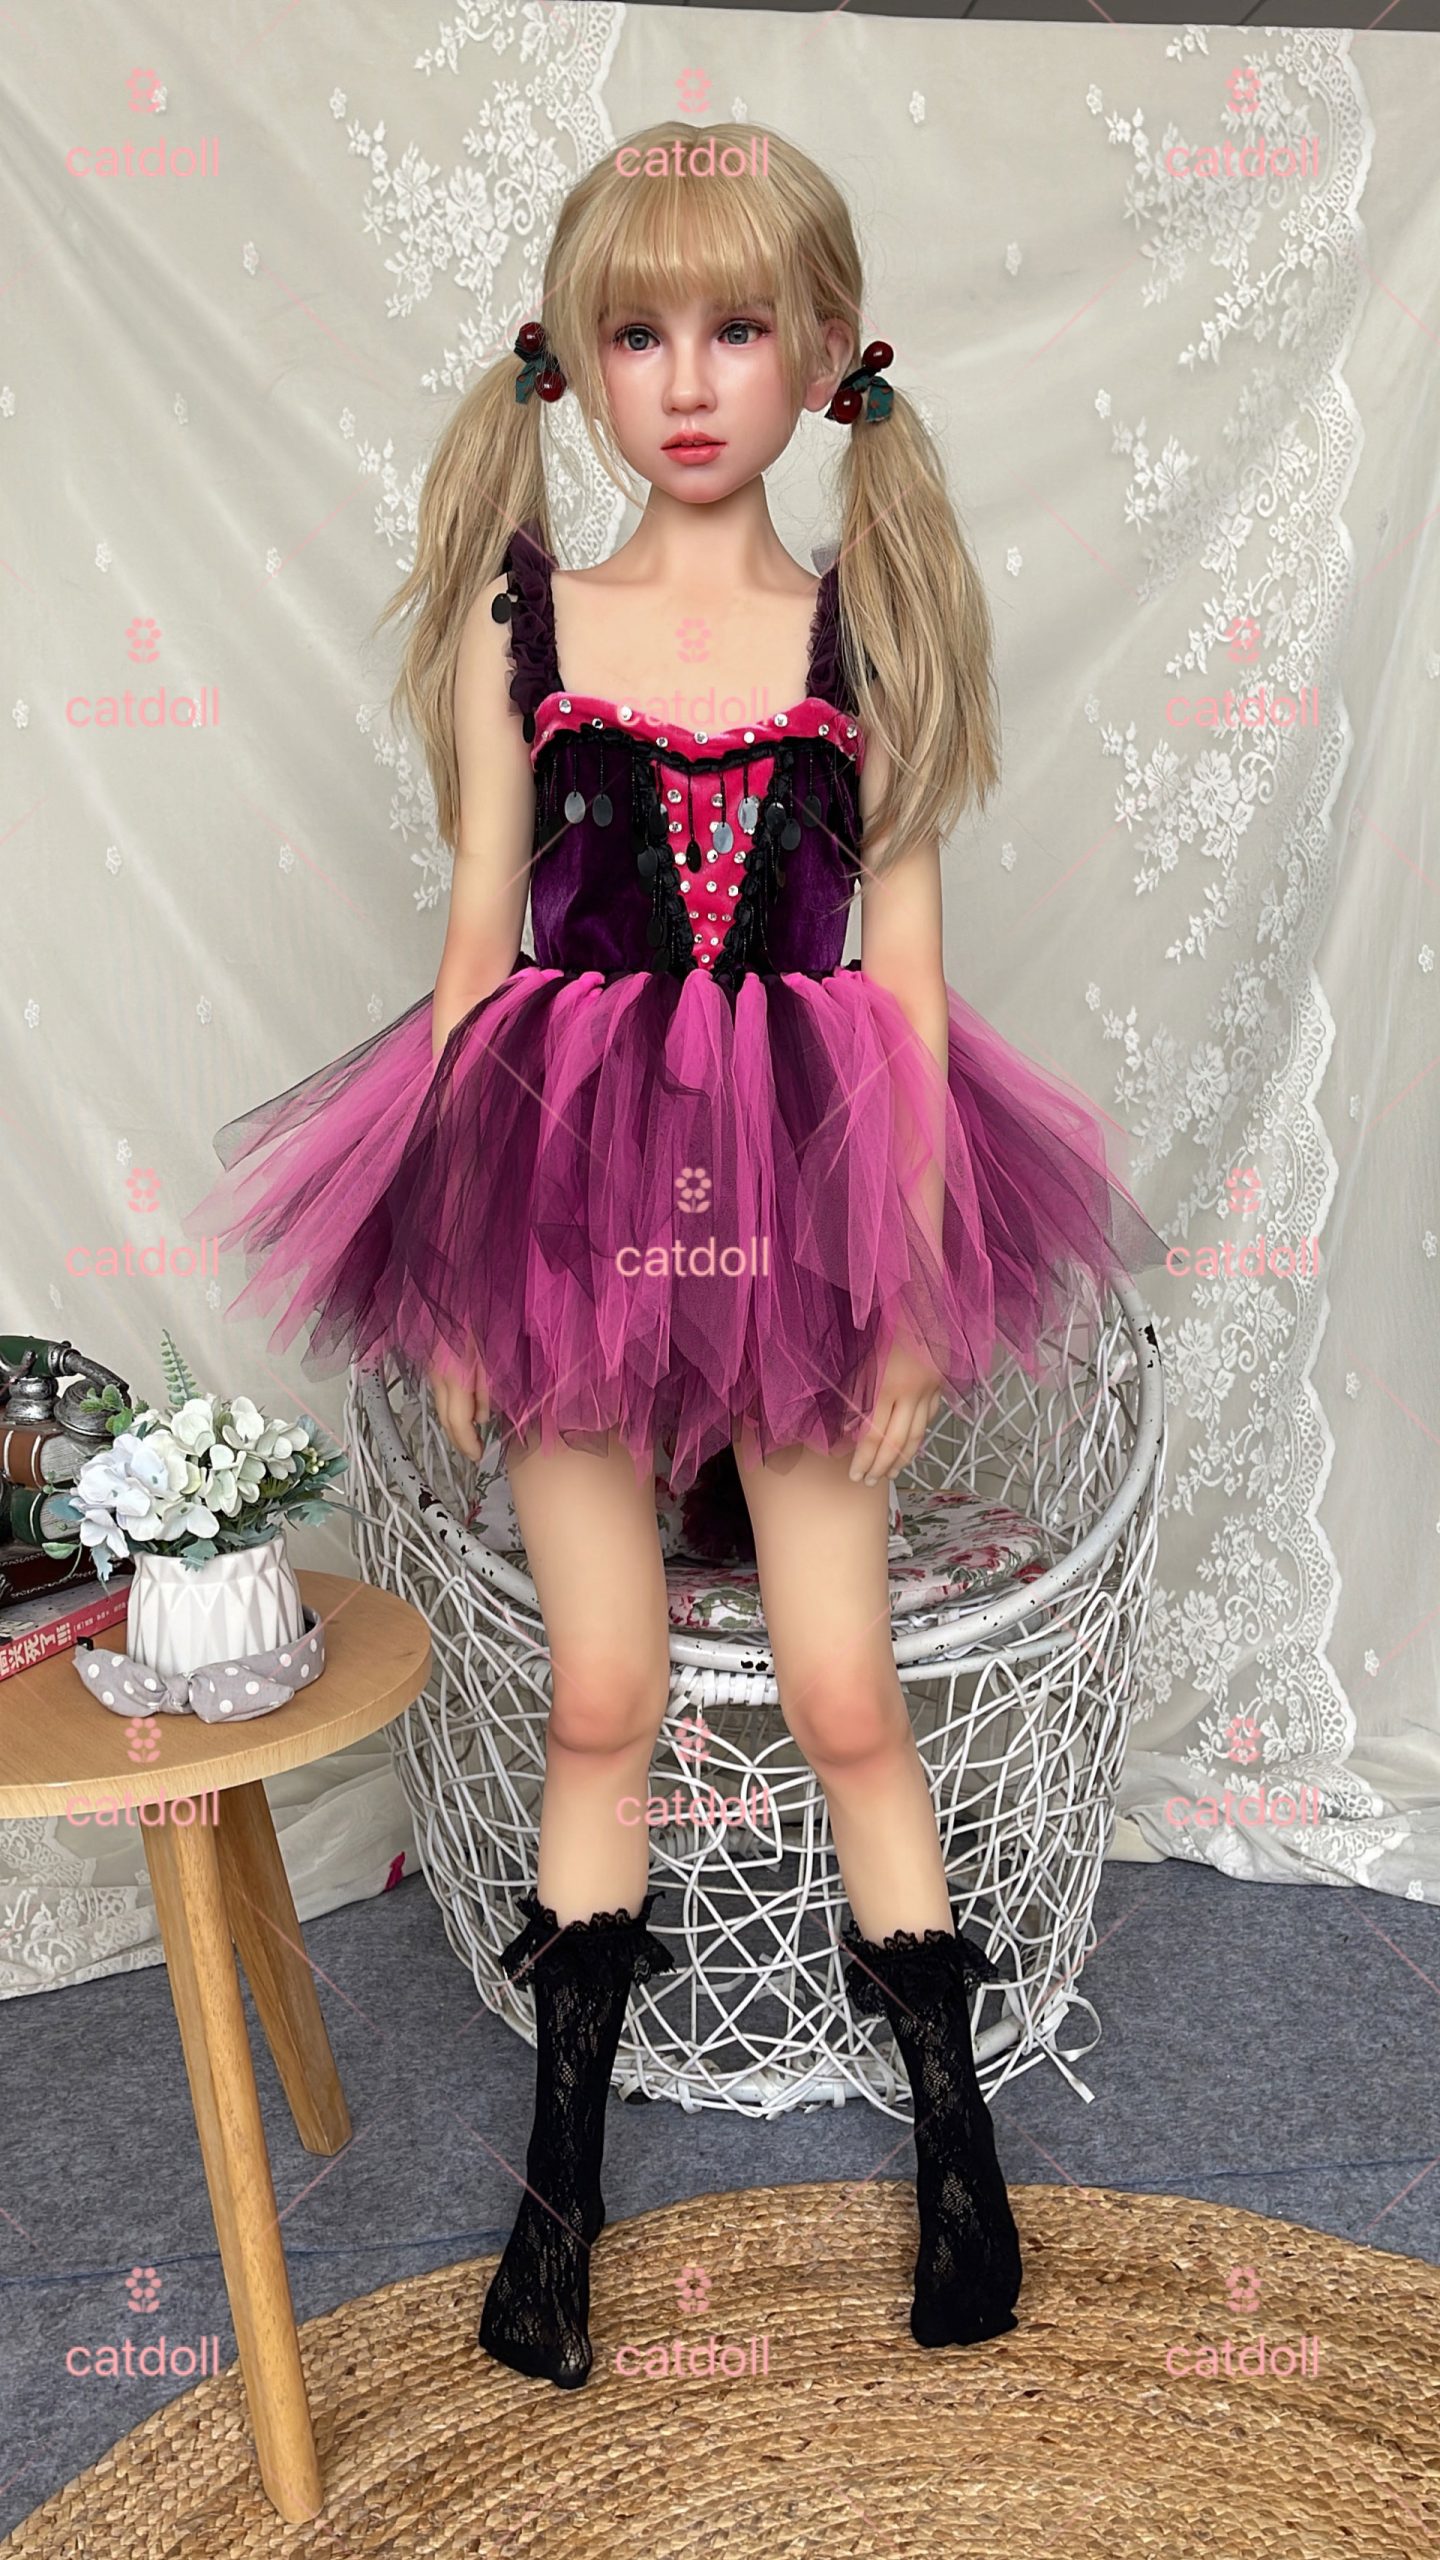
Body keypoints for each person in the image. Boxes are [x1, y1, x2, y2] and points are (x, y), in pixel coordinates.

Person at [185, 119, 1168, 2391]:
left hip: (806, 1212)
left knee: (846, 1693)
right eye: (642, 333)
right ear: (579, 359)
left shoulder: (866, 635)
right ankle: (560, 2195)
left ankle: (959, 2158)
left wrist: (908, 1290)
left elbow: (904, 986)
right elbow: (475, 951)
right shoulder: (523, 623)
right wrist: (453, 1262)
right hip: (564, 1205)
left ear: (828, 354)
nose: (694, 379)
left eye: (741, 328)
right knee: (603, 1693)